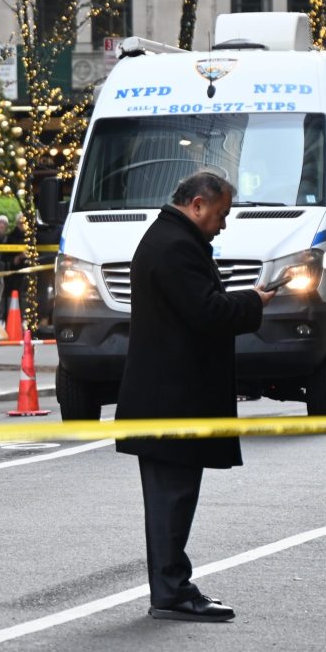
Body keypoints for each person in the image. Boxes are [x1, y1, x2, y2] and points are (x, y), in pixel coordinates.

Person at [115, 171, 273, 622]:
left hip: (166, 396)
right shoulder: (176, 246)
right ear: (198, 204)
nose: (223, 225)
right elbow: (208, 312)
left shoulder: (169, 238)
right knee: (173, 498)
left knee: (172, 498)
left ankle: (172, 588)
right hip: (172, 399)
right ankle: (172, 592)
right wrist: (254, 302)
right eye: (221, 214)